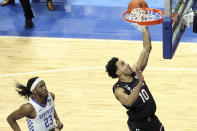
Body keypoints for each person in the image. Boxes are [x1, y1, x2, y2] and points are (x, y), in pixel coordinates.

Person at [105, 26, 165, 131]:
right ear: (118, 72)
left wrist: (144, 26)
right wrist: (140, 82)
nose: (127, 64)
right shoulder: (118, 89)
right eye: (123, 64)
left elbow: (147, 48)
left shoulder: (135, 72)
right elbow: (128, 102)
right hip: (139, 126)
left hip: (154, 121)